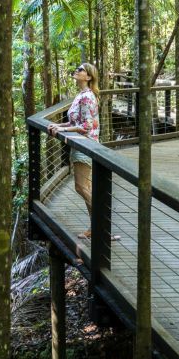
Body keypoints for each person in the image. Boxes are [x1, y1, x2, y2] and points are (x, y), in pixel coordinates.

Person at [47, 63, 101, 238]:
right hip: (80, 144)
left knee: (80, 187)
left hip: (85, 144)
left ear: (89, 77)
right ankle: (95, 228)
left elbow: (85, 126)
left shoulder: (87, 97)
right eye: (77, 69)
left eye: (81, 70)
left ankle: (103, 223)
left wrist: (62, 131)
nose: (77, 71)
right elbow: (74, 122)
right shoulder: (81, 95)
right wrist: (59, 125)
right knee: (86, 188)